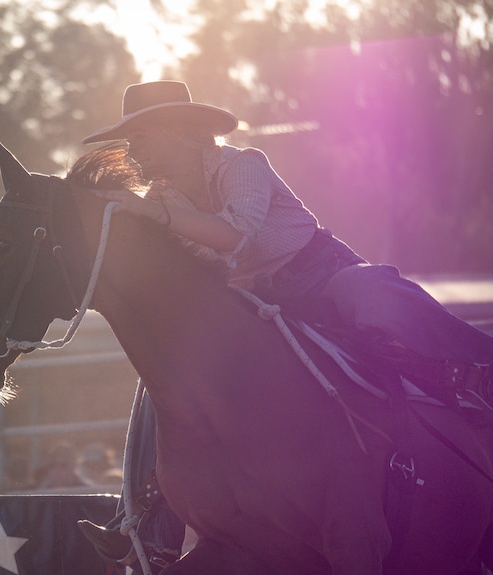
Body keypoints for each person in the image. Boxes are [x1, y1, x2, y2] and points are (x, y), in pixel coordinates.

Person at [76, 80, 493, 572]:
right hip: (257, 299)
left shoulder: (242, 165)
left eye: (140, 137)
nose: (132, 151)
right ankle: (143, 521)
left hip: (320, 275)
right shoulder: (164, 196)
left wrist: (156, 214)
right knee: (165, 385)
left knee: (372, 295)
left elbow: (236, 233)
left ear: (177, 132)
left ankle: (468, 372)